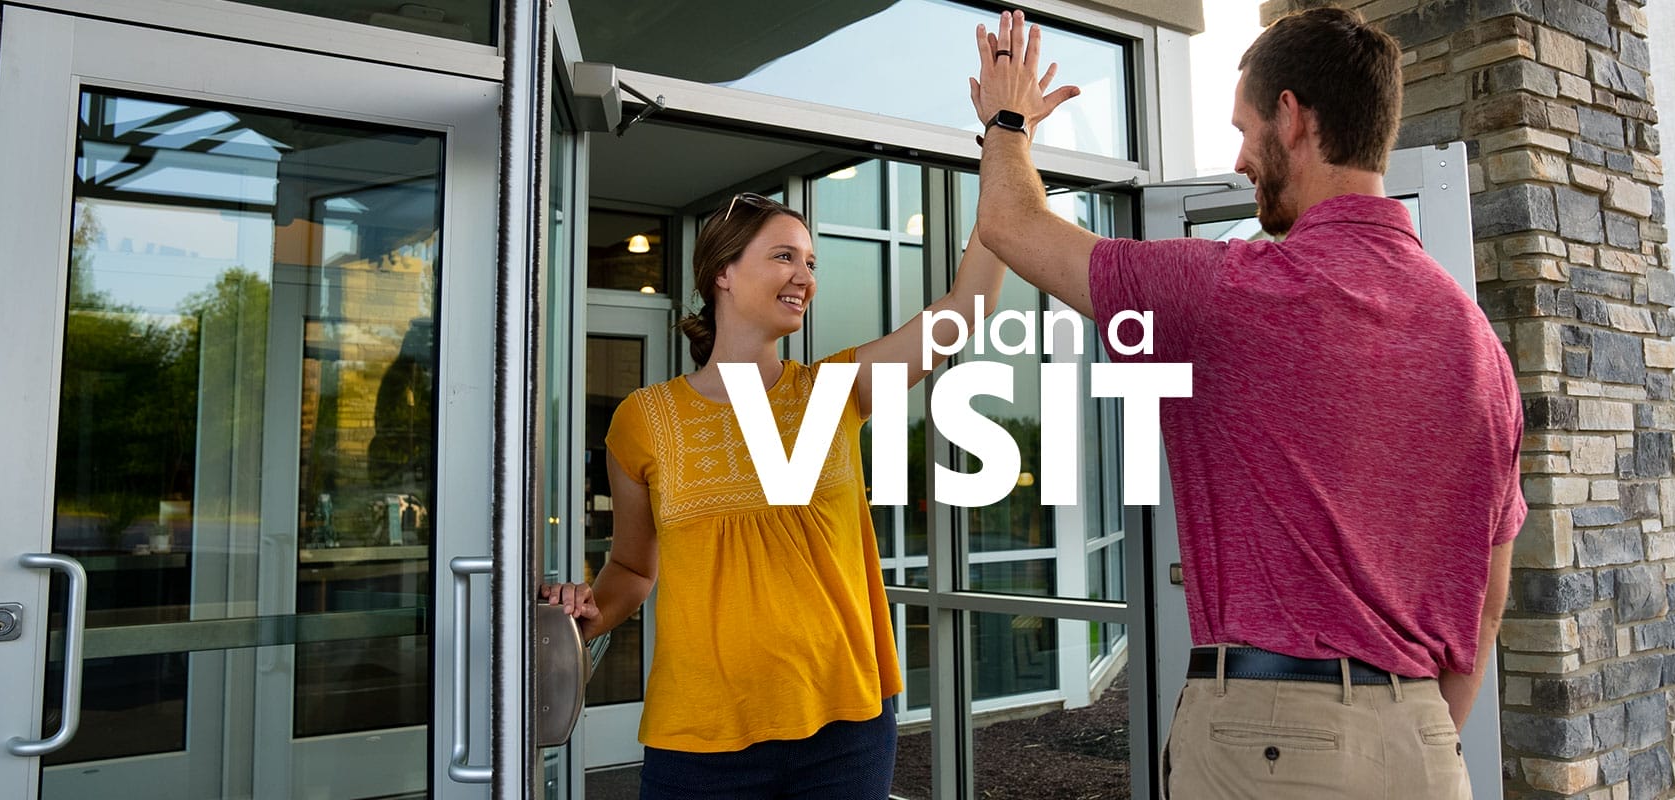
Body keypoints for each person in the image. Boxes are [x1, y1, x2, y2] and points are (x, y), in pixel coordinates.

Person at [967, 7, 1522, 798]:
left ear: (1291, 117)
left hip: (1271, 745)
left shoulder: (1230, 289)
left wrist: (1008, 121)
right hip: (1427, 750)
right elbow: (1487, 605)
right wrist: (1405, 735)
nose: (1238, 158)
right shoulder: (1479, 347)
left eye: (1244, 128)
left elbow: (1011, 222)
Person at [542, 178, 1056, 797]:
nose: (804, 277)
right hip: (700, 738)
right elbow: (631, 567)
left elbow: (965, 307)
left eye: (811, 263)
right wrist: (588, 616)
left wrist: (1008, 158)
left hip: (845, 733)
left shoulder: (833, 392)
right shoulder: (644, 420)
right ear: (723, 272)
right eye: (784, 256)